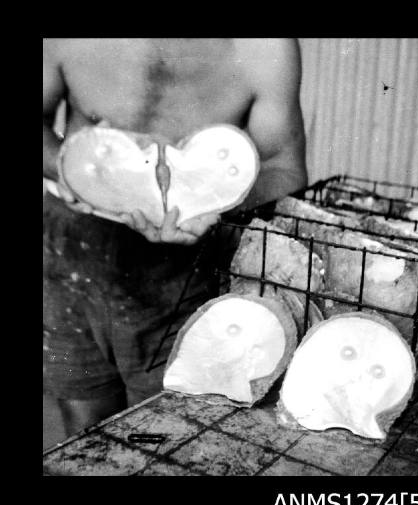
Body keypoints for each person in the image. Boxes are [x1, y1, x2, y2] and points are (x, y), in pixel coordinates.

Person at [43, 38, 308, 438]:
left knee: (166, 435)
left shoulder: (265, 46)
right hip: (75, 253)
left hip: (188, 271)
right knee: (85, 433)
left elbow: (283, 165)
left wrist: (218, 204)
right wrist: (83, 171)